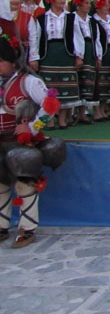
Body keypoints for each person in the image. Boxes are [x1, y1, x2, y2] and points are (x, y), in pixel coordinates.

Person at [0, 33, 66, 248]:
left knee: (23, 184)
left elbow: (50, 105)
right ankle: (1, 226)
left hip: (21, 143)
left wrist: (31, 127)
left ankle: (27, 228)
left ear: (12, 61)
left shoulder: (29, 81)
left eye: (0, 61)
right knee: (0, 185)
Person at [27, 0, 83, 129]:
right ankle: (50, 119)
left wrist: (79, 56)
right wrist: (34, 57)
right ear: (51, 0)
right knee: (49, 89)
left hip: (66, 54)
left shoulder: (71, 17)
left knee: (66, 89)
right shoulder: (42, 18)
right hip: (48, 55)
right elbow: (36, 39)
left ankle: (63, 118)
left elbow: (77, 37)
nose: (62, 1)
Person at [69, 0, 98, 124]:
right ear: (79, 5)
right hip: (77, 50)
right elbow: (73, 37)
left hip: (89, 50)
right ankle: (72, 112)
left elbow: (96, 38)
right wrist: (77, 54)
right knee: (76, 81)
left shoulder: (92, 21)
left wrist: (98, 56)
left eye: (89, 3)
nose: (89, 5)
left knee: (87, 82)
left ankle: (82, 112)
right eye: (86, 3)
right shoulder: (72, 18)